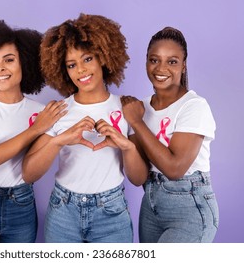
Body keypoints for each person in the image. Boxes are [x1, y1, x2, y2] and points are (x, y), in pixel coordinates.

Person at [22, 13, 149, 243]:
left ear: (103, 57)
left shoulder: (127, 107)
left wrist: (127, 146)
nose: (81, 70)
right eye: (72, 65)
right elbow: (29, 173)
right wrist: (59, 140)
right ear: (64, 70)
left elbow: (139, 179)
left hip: (111, 214)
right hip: (63, 212)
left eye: (87, 59)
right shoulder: (58, 111)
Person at [0, 17, 66, 243]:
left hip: (20, 204)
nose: (0, 68)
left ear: (24, 62)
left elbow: (32, 170)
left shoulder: (41, 112)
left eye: (9, 59)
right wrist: (35, 129)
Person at [121, 27, 219, 243]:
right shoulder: (140, 107)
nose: (161, 68)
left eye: (172, 61)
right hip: (151, 205)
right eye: (154, 60)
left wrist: (137, 122)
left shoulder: (194, 106)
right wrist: (125, 145)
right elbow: (138, 178)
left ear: (183, 66)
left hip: (189, 208)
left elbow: (175, 169)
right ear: (146, 62)